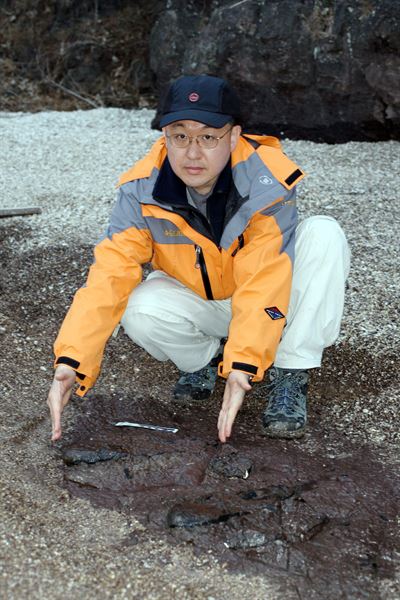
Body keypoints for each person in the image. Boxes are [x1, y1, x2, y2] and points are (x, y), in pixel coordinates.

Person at [47, 74, 350, 444]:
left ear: (234, 136)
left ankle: (290, 369)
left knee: (323, 234)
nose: (192, 152)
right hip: (201, 298)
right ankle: (205, 359)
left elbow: (264, 277)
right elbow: (109, 275)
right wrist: (71, 362)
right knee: (139, 307)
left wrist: (243, 365)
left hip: (264, 296)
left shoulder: (268, 179)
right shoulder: (141, 189)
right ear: (165, 138)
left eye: (208, 136)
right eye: (179, 135)